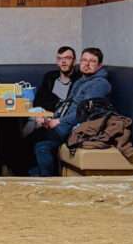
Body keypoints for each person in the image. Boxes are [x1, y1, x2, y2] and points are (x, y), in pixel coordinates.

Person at [29, 47, 111, 176]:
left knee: (41, 145)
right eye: (84, 60)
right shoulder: (81, 81)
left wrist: (59, 121)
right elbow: (66, 104)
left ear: (99, 65)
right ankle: (34, 176)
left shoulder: (99, 84)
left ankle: (47, 182)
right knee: (31, 137)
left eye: (92, 61)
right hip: (65, 124)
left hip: (76, 127)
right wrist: (51, 119)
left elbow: (85, 112)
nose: (87, 64)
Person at [35, 45, 80, 114]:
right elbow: (37, 102)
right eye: (60, 58)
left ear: (74, 62)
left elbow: (74, 107)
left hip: (65, 120)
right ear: (57, 62)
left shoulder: (79, 80)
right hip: (44, 117)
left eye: (67, 58)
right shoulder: (49, 77)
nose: (63, 61)